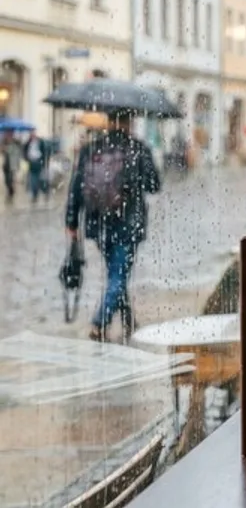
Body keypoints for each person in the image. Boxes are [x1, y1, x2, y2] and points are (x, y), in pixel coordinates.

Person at [65, 112, 162, 342]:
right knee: (119, 276)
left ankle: (128, 319)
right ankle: (99, 322)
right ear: (130, 123)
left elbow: (76, 187)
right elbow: (154, 185)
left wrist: (71, 222)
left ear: (109, 122)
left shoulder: (92, 149)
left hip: (99, 223)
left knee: (116, 274)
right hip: (129, 223)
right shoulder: (137, 148)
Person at [24, 129, 48, 202]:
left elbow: (44, 152)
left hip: (39, 162)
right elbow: (25, 151)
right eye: (31, 134)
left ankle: (45, 191)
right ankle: (35, 195)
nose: (32, 135)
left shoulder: (40, 142)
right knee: (33, 180)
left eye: (33, 133)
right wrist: (27, 158)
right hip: (31, 163)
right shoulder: (28, 143)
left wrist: (44, 162)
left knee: (40, 179)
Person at [2, 132, 19, 203]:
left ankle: (11, 191)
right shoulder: (4, 143)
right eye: (7, 136)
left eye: (9, 136)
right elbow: (2, 152)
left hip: (12, 165)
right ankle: (10, 190)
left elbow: (15, 152)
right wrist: (3, 149)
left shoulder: (15, 144)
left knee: (10, 179)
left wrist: (7, 149)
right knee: (6, 180)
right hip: (5, 165)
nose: (8, 137)